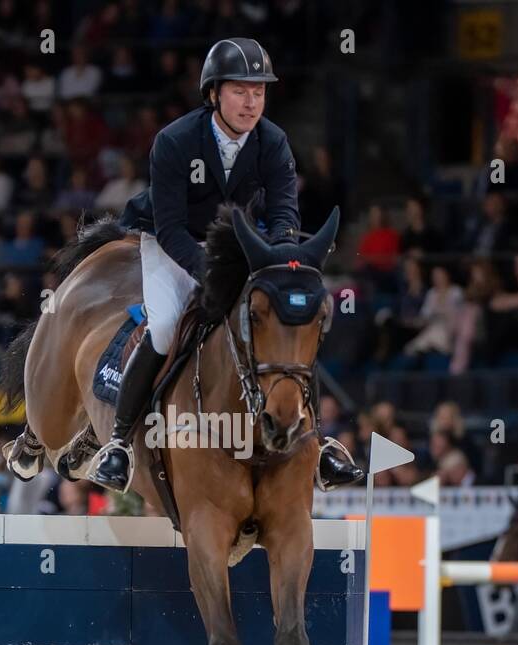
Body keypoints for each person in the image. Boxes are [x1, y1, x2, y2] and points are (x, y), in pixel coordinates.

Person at [87, 38, 363, 493]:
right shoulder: (174, 141)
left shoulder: (272, 142)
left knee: (288, 321)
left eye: (259, 92)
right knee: (167, 326)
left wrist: (282, 262)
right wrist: (219, 277)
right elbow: (174, 229)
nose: (251, 102)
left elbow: (283, 216)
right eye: (240, 90)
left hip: (236, 246)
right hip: (170, 242)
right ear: (214, 93)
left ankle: (319, 447)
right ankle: (117, 443)